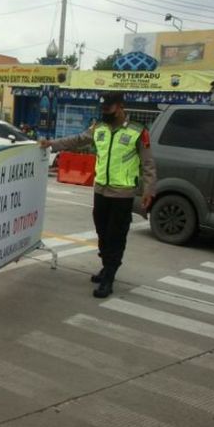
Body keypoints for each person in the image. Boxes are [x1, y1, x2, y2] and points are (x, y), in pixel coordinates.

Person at [39, 92, 156, 298]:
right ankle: (106, 266)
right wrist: (52, 144)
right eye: (102, 109)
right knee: (102, 233)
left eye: (108, 109)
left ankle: (109, 277)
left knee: (116, 236)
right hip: (100, 190)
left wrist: (149, 190)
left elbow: (147, 163)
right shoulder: (99, 128)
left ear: (120, 107)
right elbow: (77, 140)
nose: (105, 113)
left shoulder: (138, 131)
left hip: (123, 193)